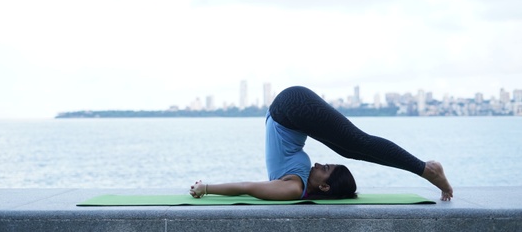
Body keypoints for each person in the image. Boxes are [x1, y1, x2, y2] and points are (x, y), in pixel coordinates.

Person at [190, 86, 453, 201]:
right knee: (352, 146)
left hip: (288, 110)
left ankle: (426, 168)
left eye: (323, 169)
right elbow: (247, 186)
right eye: (323, 166)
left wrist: (207, 188)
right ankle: (425, 168)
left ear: (324, 186)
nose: (316, 163)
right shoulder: (296, 183)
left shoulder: (293, 189)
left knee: (352, 146)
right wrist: (207, 188)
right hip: (290, 108)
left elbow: (246, 187)